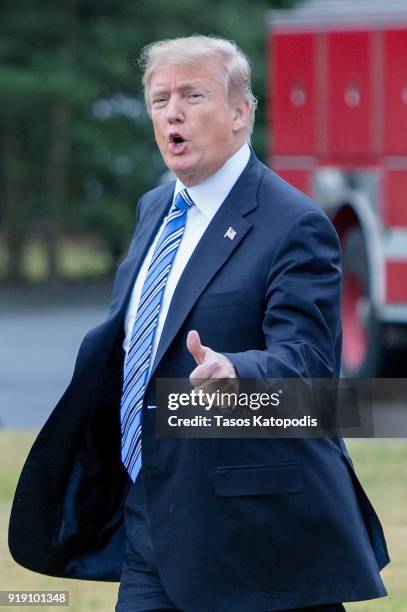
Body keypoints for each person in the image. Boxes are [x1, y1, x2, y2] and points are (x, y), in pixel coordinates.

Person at [9, 35, 389, 612]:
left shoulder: (295, 224)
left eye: (192, 95)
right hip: (151, 515)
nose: (172, 113)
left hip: (251, 527)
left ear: (241, 113)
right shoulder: (155, 209)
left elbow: (310, 364)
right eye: (159, 100)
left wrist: (238, 369)